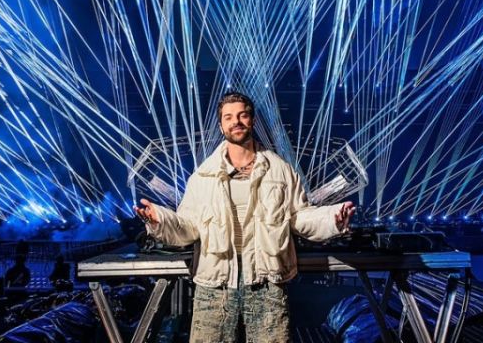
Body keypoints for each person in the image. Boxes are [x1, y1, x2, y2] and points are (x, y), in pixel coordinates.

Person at [135, 91, 354, 342]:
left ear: (252, 121)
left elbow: (300, 217)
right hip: (215, 285)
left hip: (266, 282)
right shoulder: (202, 176)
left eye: (242, 115)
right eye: (228, 117)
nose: (236, 121)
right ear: (221, 126)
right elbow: (187, 227)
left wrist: (332, 219)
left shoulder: (280, 171)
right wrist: (160, 220)